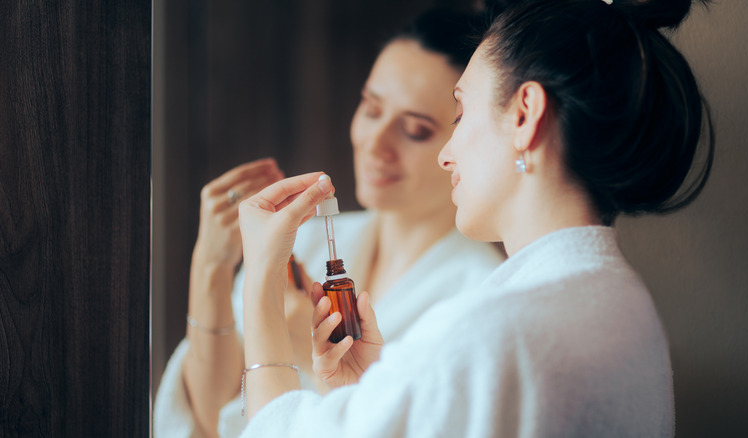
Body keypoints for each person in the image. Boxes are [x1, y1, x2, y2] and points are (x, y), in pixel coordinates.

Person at [234, 0, 715, 436]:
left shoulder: (492, 332)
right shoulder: (621, 302)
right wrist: (370, 391)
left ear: (524, 114)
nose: (447, 153)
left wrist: (261, 281)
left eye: (459, 114)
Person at [154, 8, 505, 438]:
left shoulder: (479, 297)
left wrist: (304, 352)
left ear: (461, 139)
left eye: (415, 130)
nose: (376, 144)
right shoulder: (306, 242)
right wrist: (210, 266)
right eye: (372, 109)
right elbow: (209, 422)